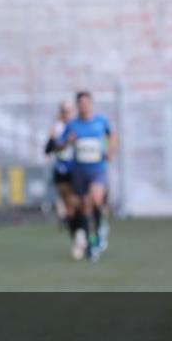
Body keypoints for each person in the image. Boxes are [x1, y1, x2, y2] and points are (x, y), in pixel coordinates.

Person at [58, 91, 116, 261]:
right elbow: (59, 145)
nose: (84, 106)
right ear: (78, 105)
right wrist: (66, 142)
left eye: (86, 103)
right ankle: (92, 240)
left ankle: (99, 229)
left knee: (96, 198)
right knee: (84, 206)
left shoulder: (100, 121)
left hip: (97, 169)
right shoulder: (72, 124)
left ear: (91, 104)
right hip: (79, 171)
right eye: (81, 103)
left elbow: (112, 136)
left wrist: (110, 150)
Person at [45, 100, 82, 259]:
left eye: (70, 110)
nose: (68, 114)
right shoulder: (57, 128)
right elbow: (47, 149)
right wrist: (56, 140)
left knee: (79, 203)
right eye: (65, 111)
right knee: (69, 207)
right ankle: (76, 238)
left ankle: (84, 232)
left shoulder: (80, 126)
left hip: (79, 169)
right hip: (62, 170)